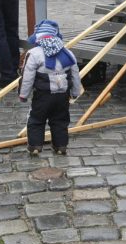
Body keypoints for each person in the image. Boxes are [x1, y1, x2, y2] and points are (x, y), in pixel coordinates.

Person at [18, 19, 82, 157]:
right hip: (62, 95)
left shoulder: (34, 53)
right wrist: (76, 92)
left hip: (43, 95)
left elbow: (27, 76)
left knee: (36, 119)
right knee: (60, 120)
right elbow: (75, 74)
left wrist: (23, 95)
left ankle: (35, 146)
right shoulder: (67, 53)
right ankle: (60, 146)